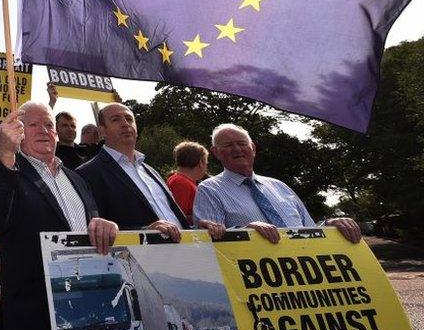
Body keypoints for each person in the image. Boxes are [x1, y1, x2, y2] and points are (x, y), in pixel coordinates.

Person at [0, 102, 118, 330]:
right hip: (36, 329)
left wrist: (106, 225)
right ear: (17, 132)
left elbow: (92, 229)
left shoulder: (78, 180)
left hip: (88, 321)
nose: (43, 130)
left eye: (49, 125)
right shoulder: (5, 173)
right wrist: (6, 152)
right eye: (32, 125)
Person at [76, 103, 225, 240]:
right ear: (102, 130)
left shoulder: (151, 171)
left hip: (186, 253)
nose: (125, 124)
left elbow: (173, 221)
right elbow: (93, 229)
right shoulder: (87, 174)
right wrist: (144, 231)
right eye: (115, 120)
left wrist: (197, 229)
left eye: (129, 119)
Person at [193, 124, 362, 244]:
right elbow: (209, 241)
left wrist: (331, 225)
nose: (237, 149)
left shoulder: (279, 187)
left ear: (253, 148)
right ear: (216, 152)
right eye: (229, 145)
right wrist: (244, 230)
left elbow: (309, 230)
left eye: (242, 144)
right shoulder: (209, 190)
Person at [167, 141, 209, 223]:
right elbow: (178, 217)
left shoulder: (181, 180)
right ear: (201, 162)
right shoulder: (180, 182)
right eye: (206, 162)